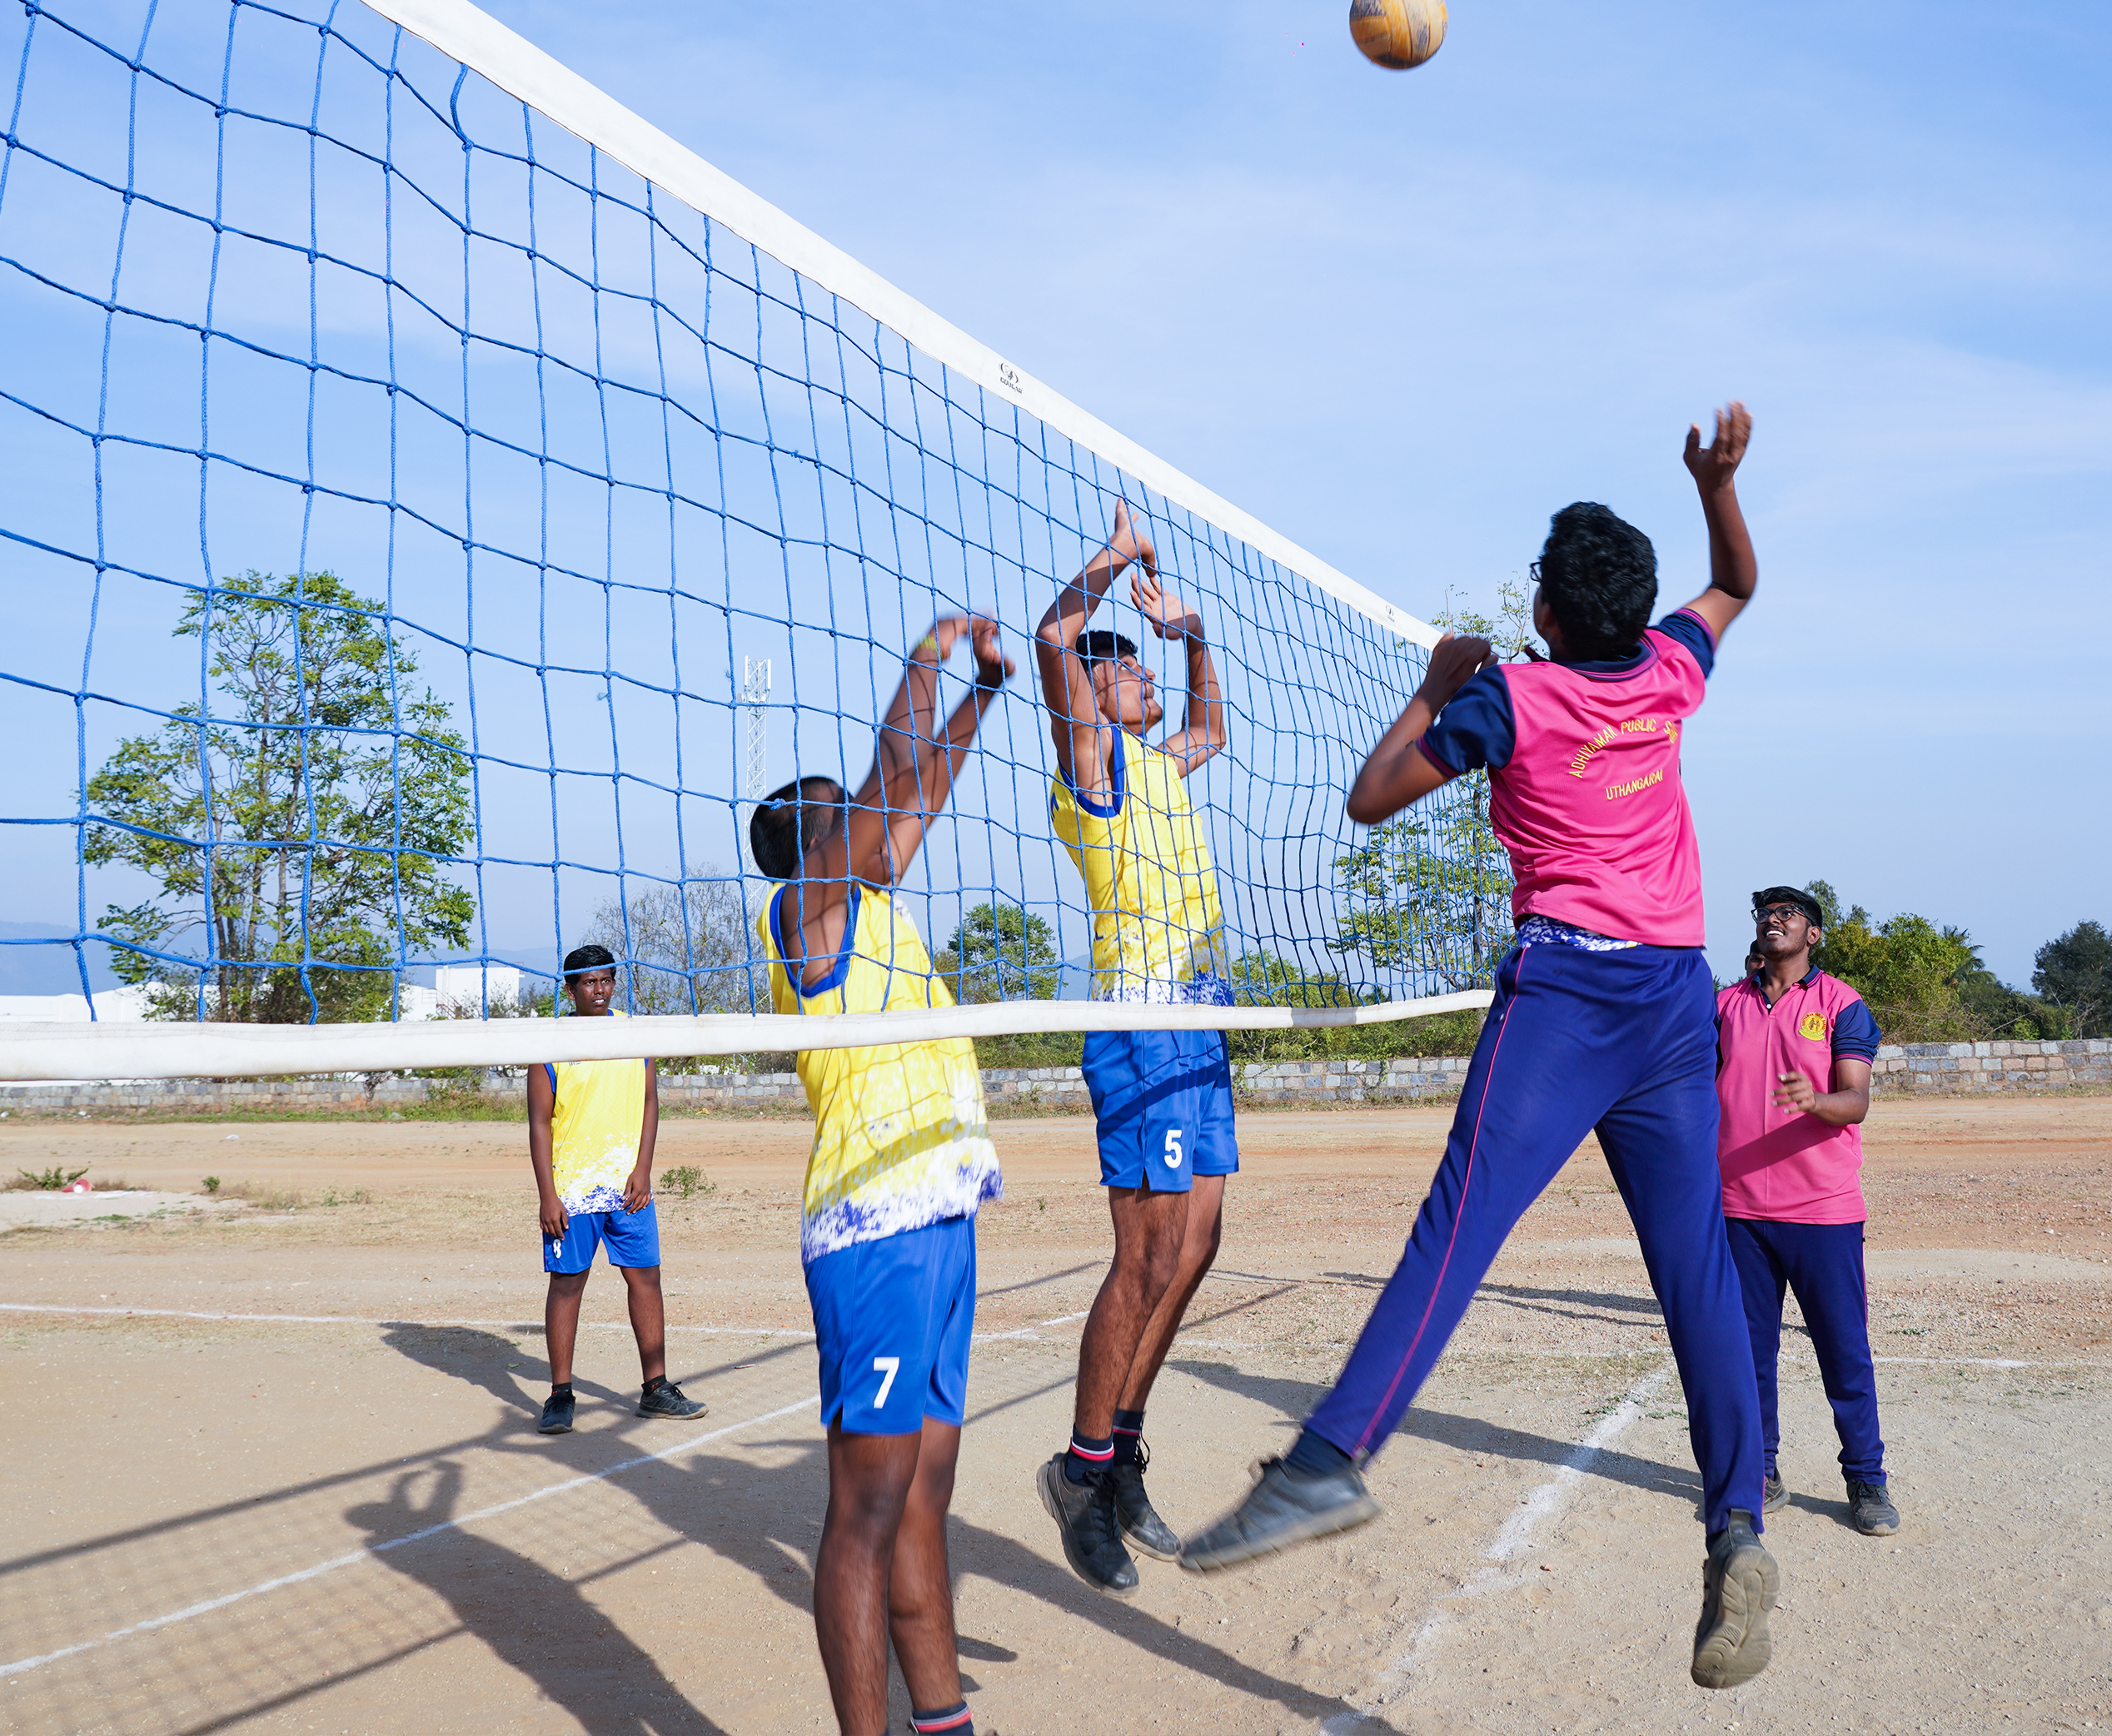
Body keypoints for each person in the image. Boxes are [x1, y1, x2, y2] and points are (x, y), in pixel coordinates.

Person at [1179, 404, 1783, 1693]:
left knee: (1454, 1238)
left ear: (1549, 616)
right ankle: (1738, 1520)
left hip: (1566, 997)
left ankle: (1328, 1465)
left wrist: (1435, 686)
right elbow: (1734, 579)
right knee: (1699, 1281)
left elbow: (1373, 794)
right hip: (1675, 1004)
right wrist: (1717, 483)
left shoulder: (1514, 696)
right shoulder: (1671, 671)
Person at [753, 614, 1014, 1736]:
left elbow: (914, 798)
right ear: (812, 843)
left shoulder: (875, 911)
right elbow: (887, 792)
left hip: (941, 1213)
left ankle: (943, 1721)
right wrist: (924, 663)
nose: (873, 813)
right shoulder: (805, 919)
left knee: (923, 1505)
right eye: (840, 809)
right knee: (864, 1511)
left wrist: (984, 693)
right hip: (873, 1230)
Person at [1031, 498, 1235, 1594]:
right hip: (1139, 1023)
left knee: (1197, 1245)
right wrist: (1112, 565)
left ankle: (1124, 1449)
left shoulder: (1160, 764)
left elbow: (1213, 727)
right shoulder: (1095, 769)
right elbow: (1055, 640)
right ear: (1099, 699)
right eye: (1137, 677)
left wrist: (1190, 634)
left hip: (1200, 1017)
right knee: (1145, 1255)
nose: (1151, 691)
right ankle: (1081, 1467)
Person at [1719, 886, 1898, 1536]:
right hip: (1738, 1212)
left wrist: (1814, 1100)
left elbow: (1856, 1101)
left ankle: (1866, 1480)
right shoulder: (1725, 1007)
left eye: (1790, 914)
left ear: (1813, 935)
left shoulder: (1841, 1005)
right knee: (1748, 1355)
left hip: (1822, 1211)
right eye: (1767, 914)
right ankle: (1760, 1471)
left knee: (1843, 1352)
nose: (1775, 920)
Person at [526, 942, 705, 1434]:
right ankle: (561, 1395)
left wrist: (643, 1168)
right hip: (574, 1189)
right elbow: (539, 1125)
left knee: (645, 1279)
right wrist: (548, 1195)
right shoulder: (551, 1046)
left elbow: (649, 1105)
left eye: (606, 979)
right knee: (566, 1285)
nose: (599, 989)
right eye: (588, 982)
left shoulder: (634, 1036)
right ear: (570, 988)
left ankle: (656, 1388)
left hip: (629, 1189)